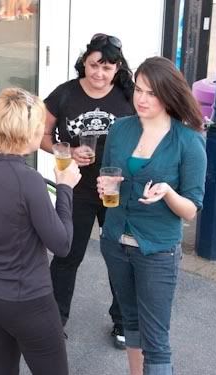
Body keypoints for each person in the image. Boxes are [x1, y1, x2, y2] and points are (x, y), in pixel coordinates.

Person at [96, 56, 207, 375]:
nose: (141, 99)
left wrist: (168, 193)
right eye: (139, 90)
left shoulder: (188, 141)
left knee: (156, 340)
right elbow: (110, 181)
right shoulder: (120, 129)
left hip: (157, 249)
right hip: (116, 241)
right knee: (130, 324)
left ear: (169, 95)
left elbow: (191, 209)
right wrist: (107, 185)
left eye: (151, 93)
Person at [0, 88, 81, 375]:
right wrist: (65, 188)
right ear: (28, 133)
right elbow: (62, 244)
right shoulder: (29, 181)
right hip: (29, 301)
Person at [40, 33, 135, 348]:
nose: (99, 74)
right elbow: (41, 132)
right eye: (95, 65)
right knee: (67, 255)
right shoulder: (65, 94)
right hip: (76, 187)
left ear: (117, 69)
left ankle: (123, 322)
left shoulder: (129, 96)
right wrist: (62, 151)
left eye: (108, 68)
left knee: (120, 256)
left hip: (115, 189)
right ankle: (54, 321)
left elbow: (148, 134)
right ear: (84, 62)